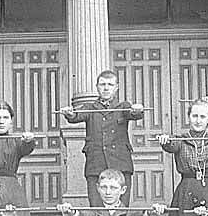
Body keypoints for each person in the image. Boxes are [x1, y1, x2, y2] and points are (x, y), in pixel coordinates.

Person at [60, 70, 145, 206]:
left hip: (120, 164)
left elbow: (134, 114)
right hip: (96, 165)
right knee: (96, 209)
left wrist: (138, 110)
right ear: (97, 87)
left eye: (110, 84)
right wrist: (70, 114)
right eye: (102, 84)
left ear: (116, 87)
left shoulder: (123, 107)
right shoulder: (90, 107)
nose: (106, 88)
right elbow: (76, 116)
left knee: (121, 210)